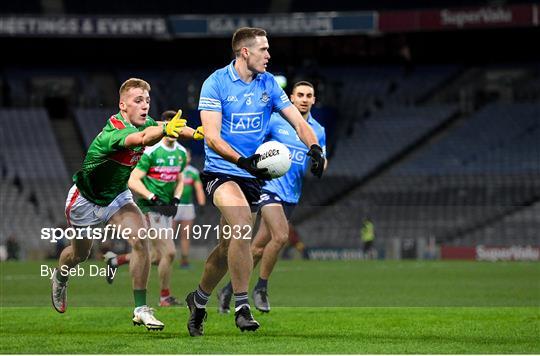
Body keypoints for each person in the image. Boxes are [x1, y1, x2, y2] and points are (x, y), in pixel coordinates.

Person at [185, 27, 325, 336]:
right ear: (245, 52)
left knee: (226, 249)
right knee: (241, 227)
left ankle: (198, 299)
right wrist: (240, 160)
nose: (269, 55)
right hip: (222, 170)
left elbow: (299, 122)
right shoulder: (216, 83)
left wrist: (314, 147)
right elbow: (211, 136)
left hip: (252, 175)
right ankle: (242, 306)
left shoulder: (269, 84)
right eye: (264, 49)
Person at [51, 78, 199, 331]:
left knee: (141, 239)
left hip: (117, 197)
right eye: (138, 101)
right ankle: (60, 277)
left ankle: (141, 308)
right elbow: (142, 138)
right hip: (85, 201)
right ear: (123, 105)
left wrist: (197, 133)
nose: (144, 106)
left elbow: (166, 127)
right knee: (80, 255)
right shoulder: (113, 133)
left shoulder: (148, 123)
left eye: (148, 101)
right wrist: (164, 130)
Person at [217, 81, 327, 314]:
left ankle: (229, 290)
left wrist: (321, 165)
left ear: (314, 100)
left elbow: (322, 158)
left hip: (291, 194)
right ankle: (261, 288)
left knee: (257, 248)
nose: (305, 99)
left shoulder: (317, 131)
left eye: (309, 95)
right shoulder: (276, 121)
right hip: (267, 187)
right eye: (300, 95)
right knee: (281, 235)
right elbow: (254, 144)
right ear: (292, 98)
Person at [103, 110, 204, 307]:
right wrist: (153, 197)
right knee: (170, 252)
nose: (175, 129)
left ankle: (116, 261)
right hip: (148, 207)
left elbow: (180, 178)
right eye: (170, 124)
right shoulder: (151, 151)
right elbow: (133, 180)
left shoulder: (182, 153)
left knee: (155, 256)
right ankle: (164, 297)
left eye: (178, 125)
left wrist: (175, 199)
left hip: (165, 208)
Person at [172, 147, 206, 269]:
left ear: (190, 158)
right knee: (169, 234)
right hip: (173, 206)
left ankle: (184, 261)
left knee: (185, 235)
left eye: (188, 156)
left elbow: (199, 189)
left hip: (187, 207)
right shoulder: (173, 170)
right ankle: (164, 258)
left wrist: (202, 204)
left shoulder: (193, 172)